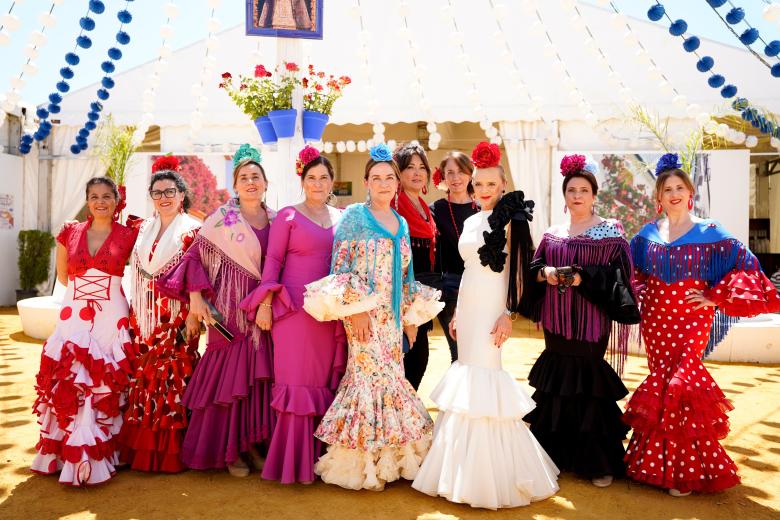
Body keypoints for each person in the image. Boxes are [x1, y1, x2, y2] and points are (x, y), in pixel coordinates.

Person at [413, 142, 559, 509]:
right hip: (469, 307)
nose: (483, 189)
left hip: (495, 311)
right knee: (465, 374)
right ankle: (457, 468)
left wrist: (508, 314)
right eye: (478, 183)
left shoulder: (514, 218)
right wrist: (459, 312)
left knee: (485, 377)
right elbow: (468, 273)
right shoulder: (471, 220)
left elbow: (521, 273)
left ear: (503, 183)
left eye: (491, 183)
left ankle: (491, 475)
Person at [624, 153, 780, 496]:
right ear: (659, 198)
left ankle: (686, 470)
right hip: (656, 318)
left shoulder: (711, 230)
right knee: (662, 383)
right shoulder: (648, 233)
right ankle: (653, 464)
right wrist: (641, 290)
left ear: (690, 192)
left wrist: (715, 297)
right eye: (667, 189)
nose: (674, 194)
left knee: (683, 381)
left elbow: (747, 264)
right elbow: (630, 272)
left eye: (679, 187)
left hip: (692, 318)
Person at [303, 144, 442, 491]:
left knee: (392, 377)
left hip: (393, 318)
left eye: (389, 178)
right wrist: (358, 311)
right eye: (376, 178)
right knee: (367, 378)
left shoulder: (401, 223)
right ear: (366, 182)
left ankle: (391, 460)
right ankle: (362, 463)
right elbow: (341, 267)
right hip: (362, 315)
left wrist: (411, 319)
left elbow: (407, 275)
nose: (383, 183)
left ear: (397, 182)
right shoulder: (354, 217)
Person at [522, 154, 640, 488]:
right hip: (556, 323)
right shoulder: (552, 232)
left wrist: (582, 278)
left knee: (588, 384)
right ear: (564, 196)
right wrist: (545, 273)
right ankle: (555, 457)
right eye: (571, 190)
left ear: (594, 195)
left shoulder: (610, 231)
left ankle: (597, 461)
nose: (577, 195)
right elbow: (533, 269)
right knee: (557, 383)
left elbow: (622, 276)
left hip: (591, 323)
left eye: (583, 190)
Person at [158, 144, 275, 478]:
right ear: (235, 185)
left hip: (265, 311)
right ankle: (229, 451)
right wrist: (195, 300)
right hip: (229, 310)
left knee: (256, 378)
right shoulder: (223, 217)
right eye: (244, 177)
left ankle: (253, 446)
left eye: (256, 176)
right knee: (228, 379)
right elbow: (193, 258)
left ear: (265, 183)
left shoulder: (278, 218)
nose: (251, 182)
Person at [246, 146, 347, 484]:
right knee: (295, 382)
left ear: (333, 181)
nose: (317, 183)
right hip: (292, 314)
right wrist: (264, 304)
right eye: (311, 177)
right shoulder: (288, 216)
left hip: (327, 315)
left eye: (323, 177)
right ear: (302, 181)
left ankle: (319, 460)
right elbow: (272, 262)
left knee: (320, 383)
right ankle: (291, 463)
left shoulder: (342, 218)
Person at [31, 176, 138, 486]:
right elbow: (63, 276)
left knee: (105, 377)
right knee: (73, 374)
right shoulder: (69, 232)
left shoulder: (130, 234)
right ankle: (70, 454)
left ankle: (104, 452)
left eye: (106, 196)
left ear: (117, 201)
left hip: (111, 314)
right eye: (94, 196)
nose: (100, 201)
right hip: (74, 311)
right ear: (87, 200)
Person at [119, 158, 202, 473]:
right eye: (157, 192)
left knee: (172, 377)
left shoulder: (193, 231)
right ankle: (142, 447)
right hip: (142, 315)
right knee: (143, 376)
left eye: (170, 191)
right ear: (151, 197)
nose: (164, 197)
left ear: (181, 195)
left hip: (177, 319)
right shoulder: (142, 230)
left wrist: (195, 311)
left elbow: (199, 275)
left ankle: (172, 452)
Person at [391, 143, 437, 390]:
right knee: (409, 364)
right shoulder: (393, 208)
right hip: (401, 300)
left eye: (422, 167)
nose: (417, 173)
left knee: (420, 362)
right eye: (410, 167)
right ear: (398, 172)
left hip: (421, 298)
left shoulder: (425, 209)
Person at [429, 152, 478, 362]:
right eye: (450, 172)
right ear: (443, 177)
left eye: (461, 172)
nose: (456, 178)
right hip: (450, 289)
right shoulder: (435, 210)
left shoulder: (483, 208)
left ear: (470, 174)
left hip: (481, 287)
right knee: (460, 354)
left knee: (478, 353)